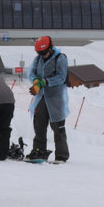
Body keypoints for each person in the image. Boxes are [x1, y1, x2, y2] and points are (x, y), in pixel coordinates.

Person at [26, 35, 70, 163]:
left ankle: (61, 155)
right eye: (40, 53)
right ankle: (39, 151)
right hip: (41, 98)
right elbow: (31, 72)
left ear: (50, 48)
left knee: (58, 127)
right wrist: (35, 80)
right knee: (39, 125)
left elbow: (61, 77)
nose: (42, 55)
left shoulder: (60, 58)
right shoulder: (38, 59)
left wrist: (45, 81)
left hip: (56, 99)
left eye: (44, 52)